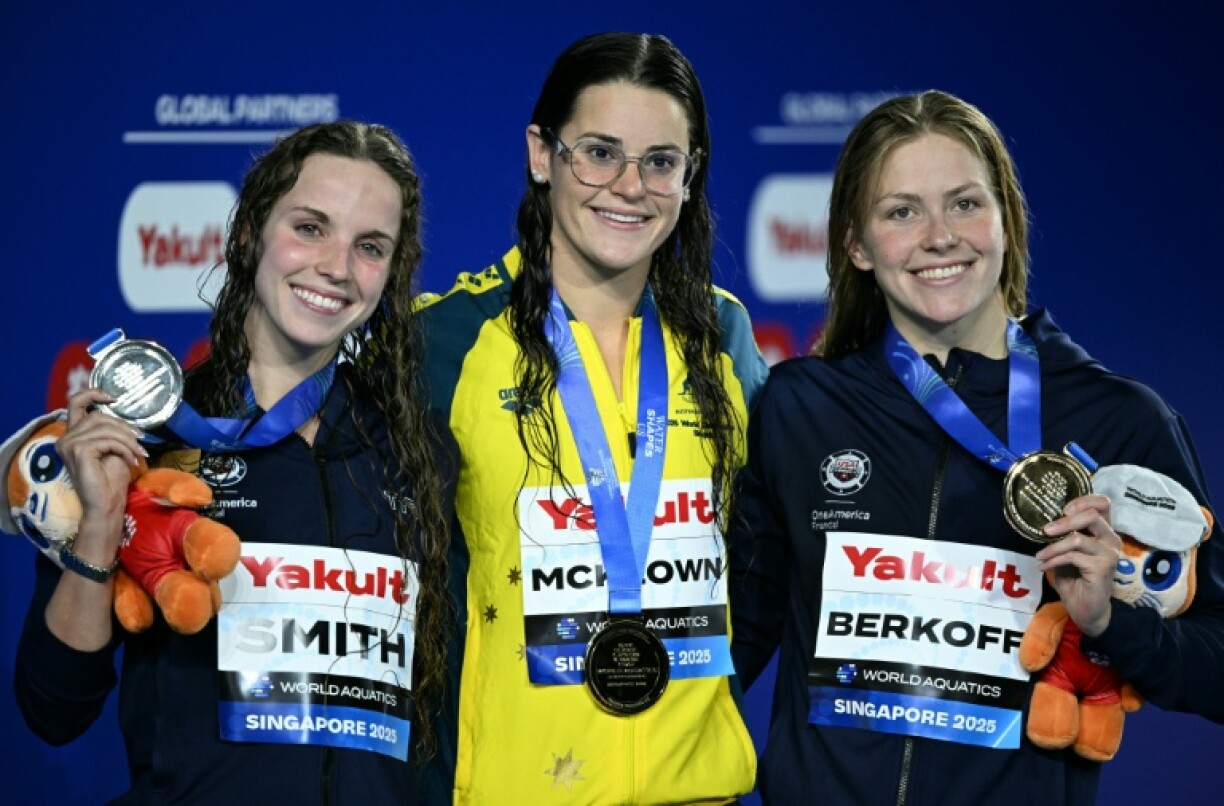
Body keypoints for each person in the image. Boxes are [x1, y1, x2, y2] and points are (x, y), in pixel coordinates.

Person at [729, 90, 1224, 804]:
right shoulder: (801, 407)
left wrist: (1111, 623)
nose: (940, 237)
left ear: (1006, 220)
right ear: (857, 245)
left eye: (964, 204)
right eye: (902, 212)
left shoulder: (1120, 420)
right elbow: (732, 641)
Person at [9, 121, 462, 804]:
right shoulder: (146, 437)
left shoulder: (420, 450)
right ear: (249, 234)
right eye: (310, 228)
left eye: (370, 247)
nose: (337, 267)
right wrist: (99, 526)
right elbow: (53, 709)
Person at [417, 32, 767, 804]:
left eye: (660, 161)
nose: (629, 187)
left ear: (690, 174)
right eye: (600, 153)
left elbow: (768, 559)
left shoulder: (724, 337)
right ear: (542, 154)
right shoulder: (445, 342)